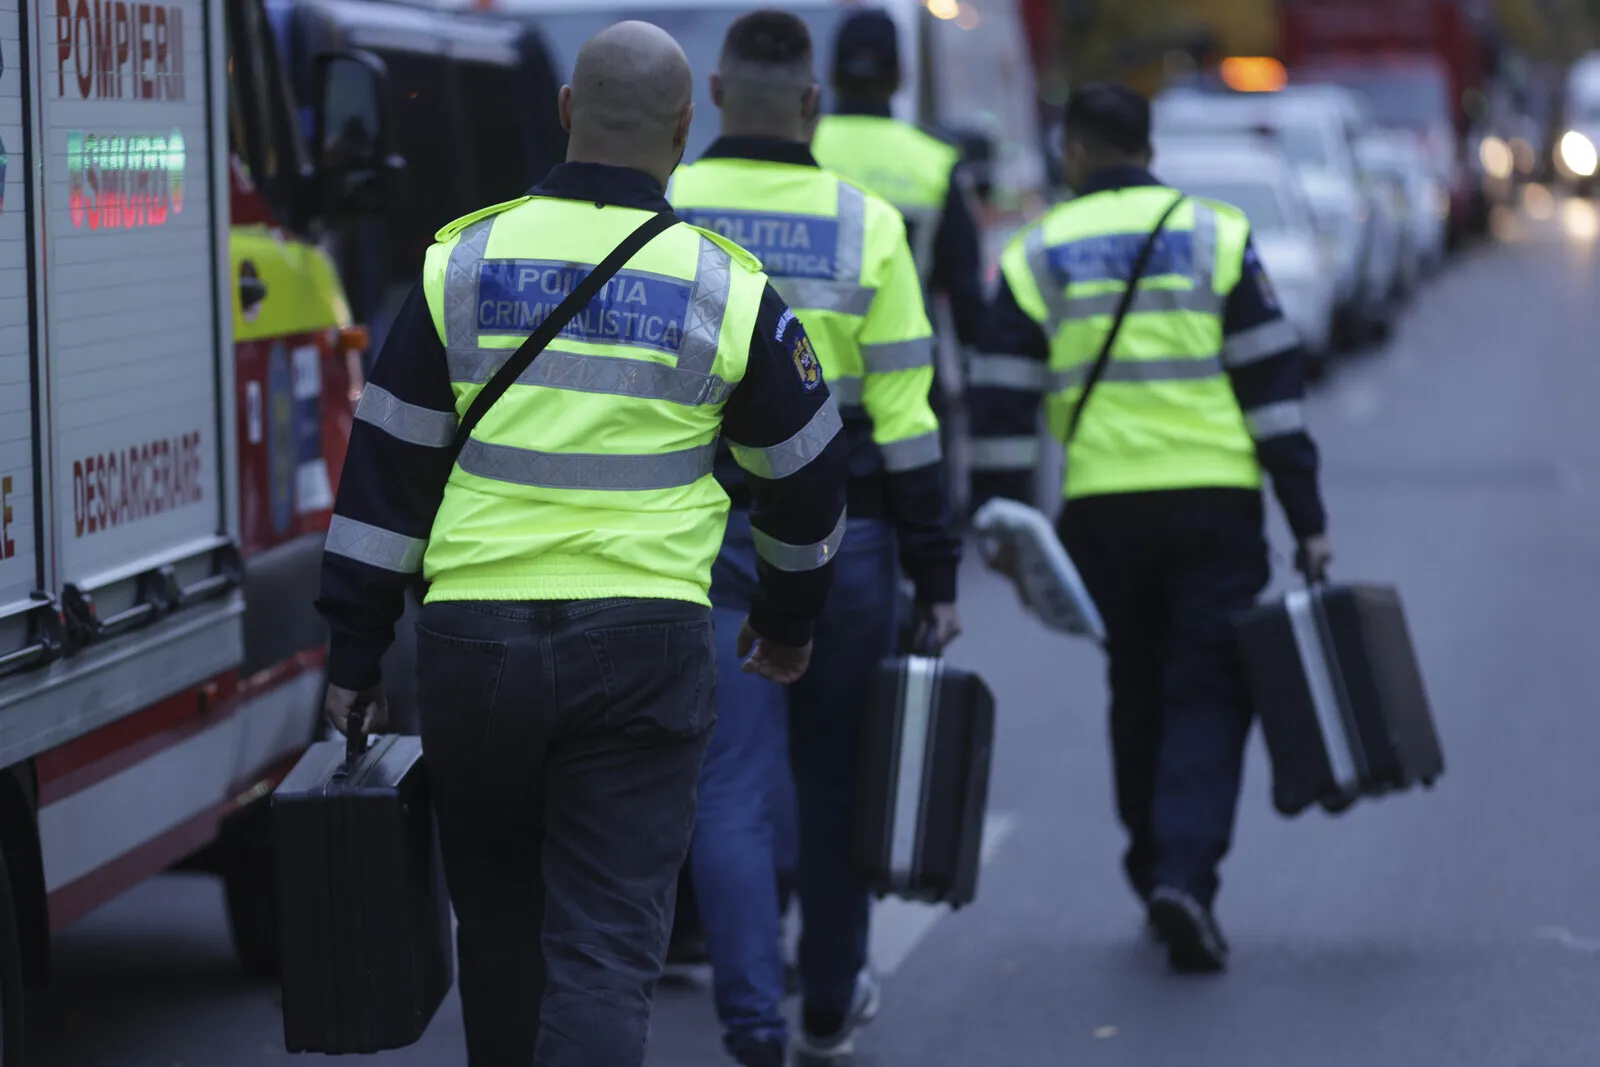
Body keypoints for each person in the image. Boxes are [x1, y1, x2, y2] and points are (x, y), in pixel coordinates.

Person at [313, 21, 851, 1066]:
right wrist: (786, 623)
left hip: (474, 647)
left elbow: (384, 472)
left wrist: (353, 652)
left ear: (565, 108)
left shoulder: (458, 263)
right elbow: (808, 476)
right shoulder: (723, 286)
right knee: (603, 947)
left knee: (502, 931)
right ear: (686, 129)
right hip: (642, 645)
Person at [967, 82, 1334, 974]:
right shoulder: (1216, 237)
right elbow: (1273, 393)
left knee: (1136, 685)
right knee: (1208, 689)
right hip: (1216, 504)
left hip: (1102, 512)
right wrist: (1308, 521)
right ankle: (1184, 873)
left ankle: (1151, 866)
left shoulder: (1035, 253)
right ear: (1150, 147)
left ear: (1073, 152)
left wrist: (1006, 536)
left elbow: (1002, 411)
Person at [666, 11, 963, 1065]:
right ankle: (830, 1002)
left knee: (732, 784)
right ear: (812, 103)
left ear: (710, 93)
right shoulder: (865, 224)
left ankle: (752, 1018)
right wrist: (938, 568)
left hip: (706, 535)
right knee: (838, 776)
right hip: (853, 534)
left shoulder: (667, 214)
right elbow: (909, 416)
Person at [811, 8, 986, 509]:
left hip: (800, 369)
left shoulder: (801, 148)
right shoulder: (934, 161)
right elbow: (965, 289)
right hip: (907, 372)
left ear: (832, 72)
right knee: (902, 522)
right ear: (900, 75)